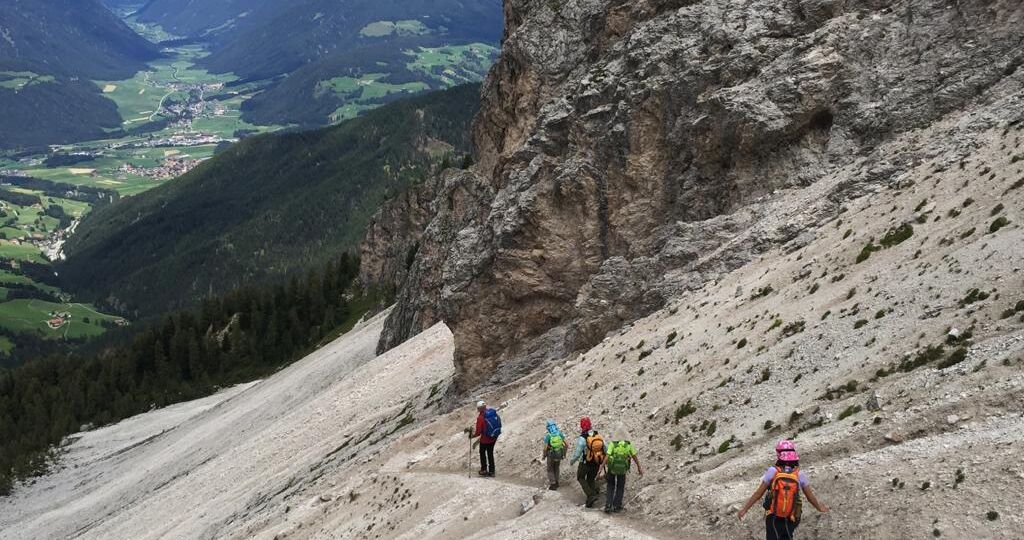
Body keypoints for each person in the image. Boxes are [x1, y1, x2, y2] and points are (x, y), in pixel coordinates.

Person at [737, 444, 829, 540]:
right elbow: (810, 497)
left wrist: (745, 509)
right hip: (792, 515)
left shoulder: (772, 471)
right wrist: (819, 508)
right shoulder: (800, 474)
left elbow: (758, 494)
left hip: (774, 514)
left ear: (779, 456)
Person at [569, 416, 604, 507]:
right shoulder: (597, 435)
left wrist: (572, 461)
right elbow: (605, 447)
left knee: (580, 477)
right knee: (591, 478)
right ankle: (594, 494)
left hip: (585, 463)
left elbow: (577, 453)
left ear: (581, 426)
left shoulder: (582, 438)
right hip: (596, 462)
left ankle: (591, 496)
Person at [601, 438, 643, 513]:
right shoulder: (628, 445)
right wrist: (639, 467)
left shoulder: (613, 444)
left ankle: (608, 505)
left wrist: (601, 468)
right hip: (622, 469)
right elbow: (634, 456)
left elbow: (607, 456)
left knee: (610, 485)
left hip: (612, 469)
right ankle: (617, 506)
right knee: (620, 486)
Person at [470, 400, 499, 477]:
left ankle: (484, 470)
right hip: (493, 437)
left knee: (482, 453)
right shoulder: (491, 412)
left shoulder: (480, 418)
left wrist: (472, 436)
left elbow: (478, 432)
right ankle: (492, 471)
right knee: (490, 453)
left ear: (479, 408)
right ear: (485, 406)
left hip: (485, 439)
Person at [542, 419, 567, 490]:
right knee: (556, 467)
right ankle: (557, 482)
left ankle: (553, 484)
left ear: (548, 428)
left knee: (550, 469)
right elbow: (567, 444)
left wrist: (544, 455)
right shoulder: (559, 433)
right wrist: (564, 454)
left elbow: (545, 448)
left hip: (551, 455)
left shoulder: (548, 436)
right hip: (559, 454)